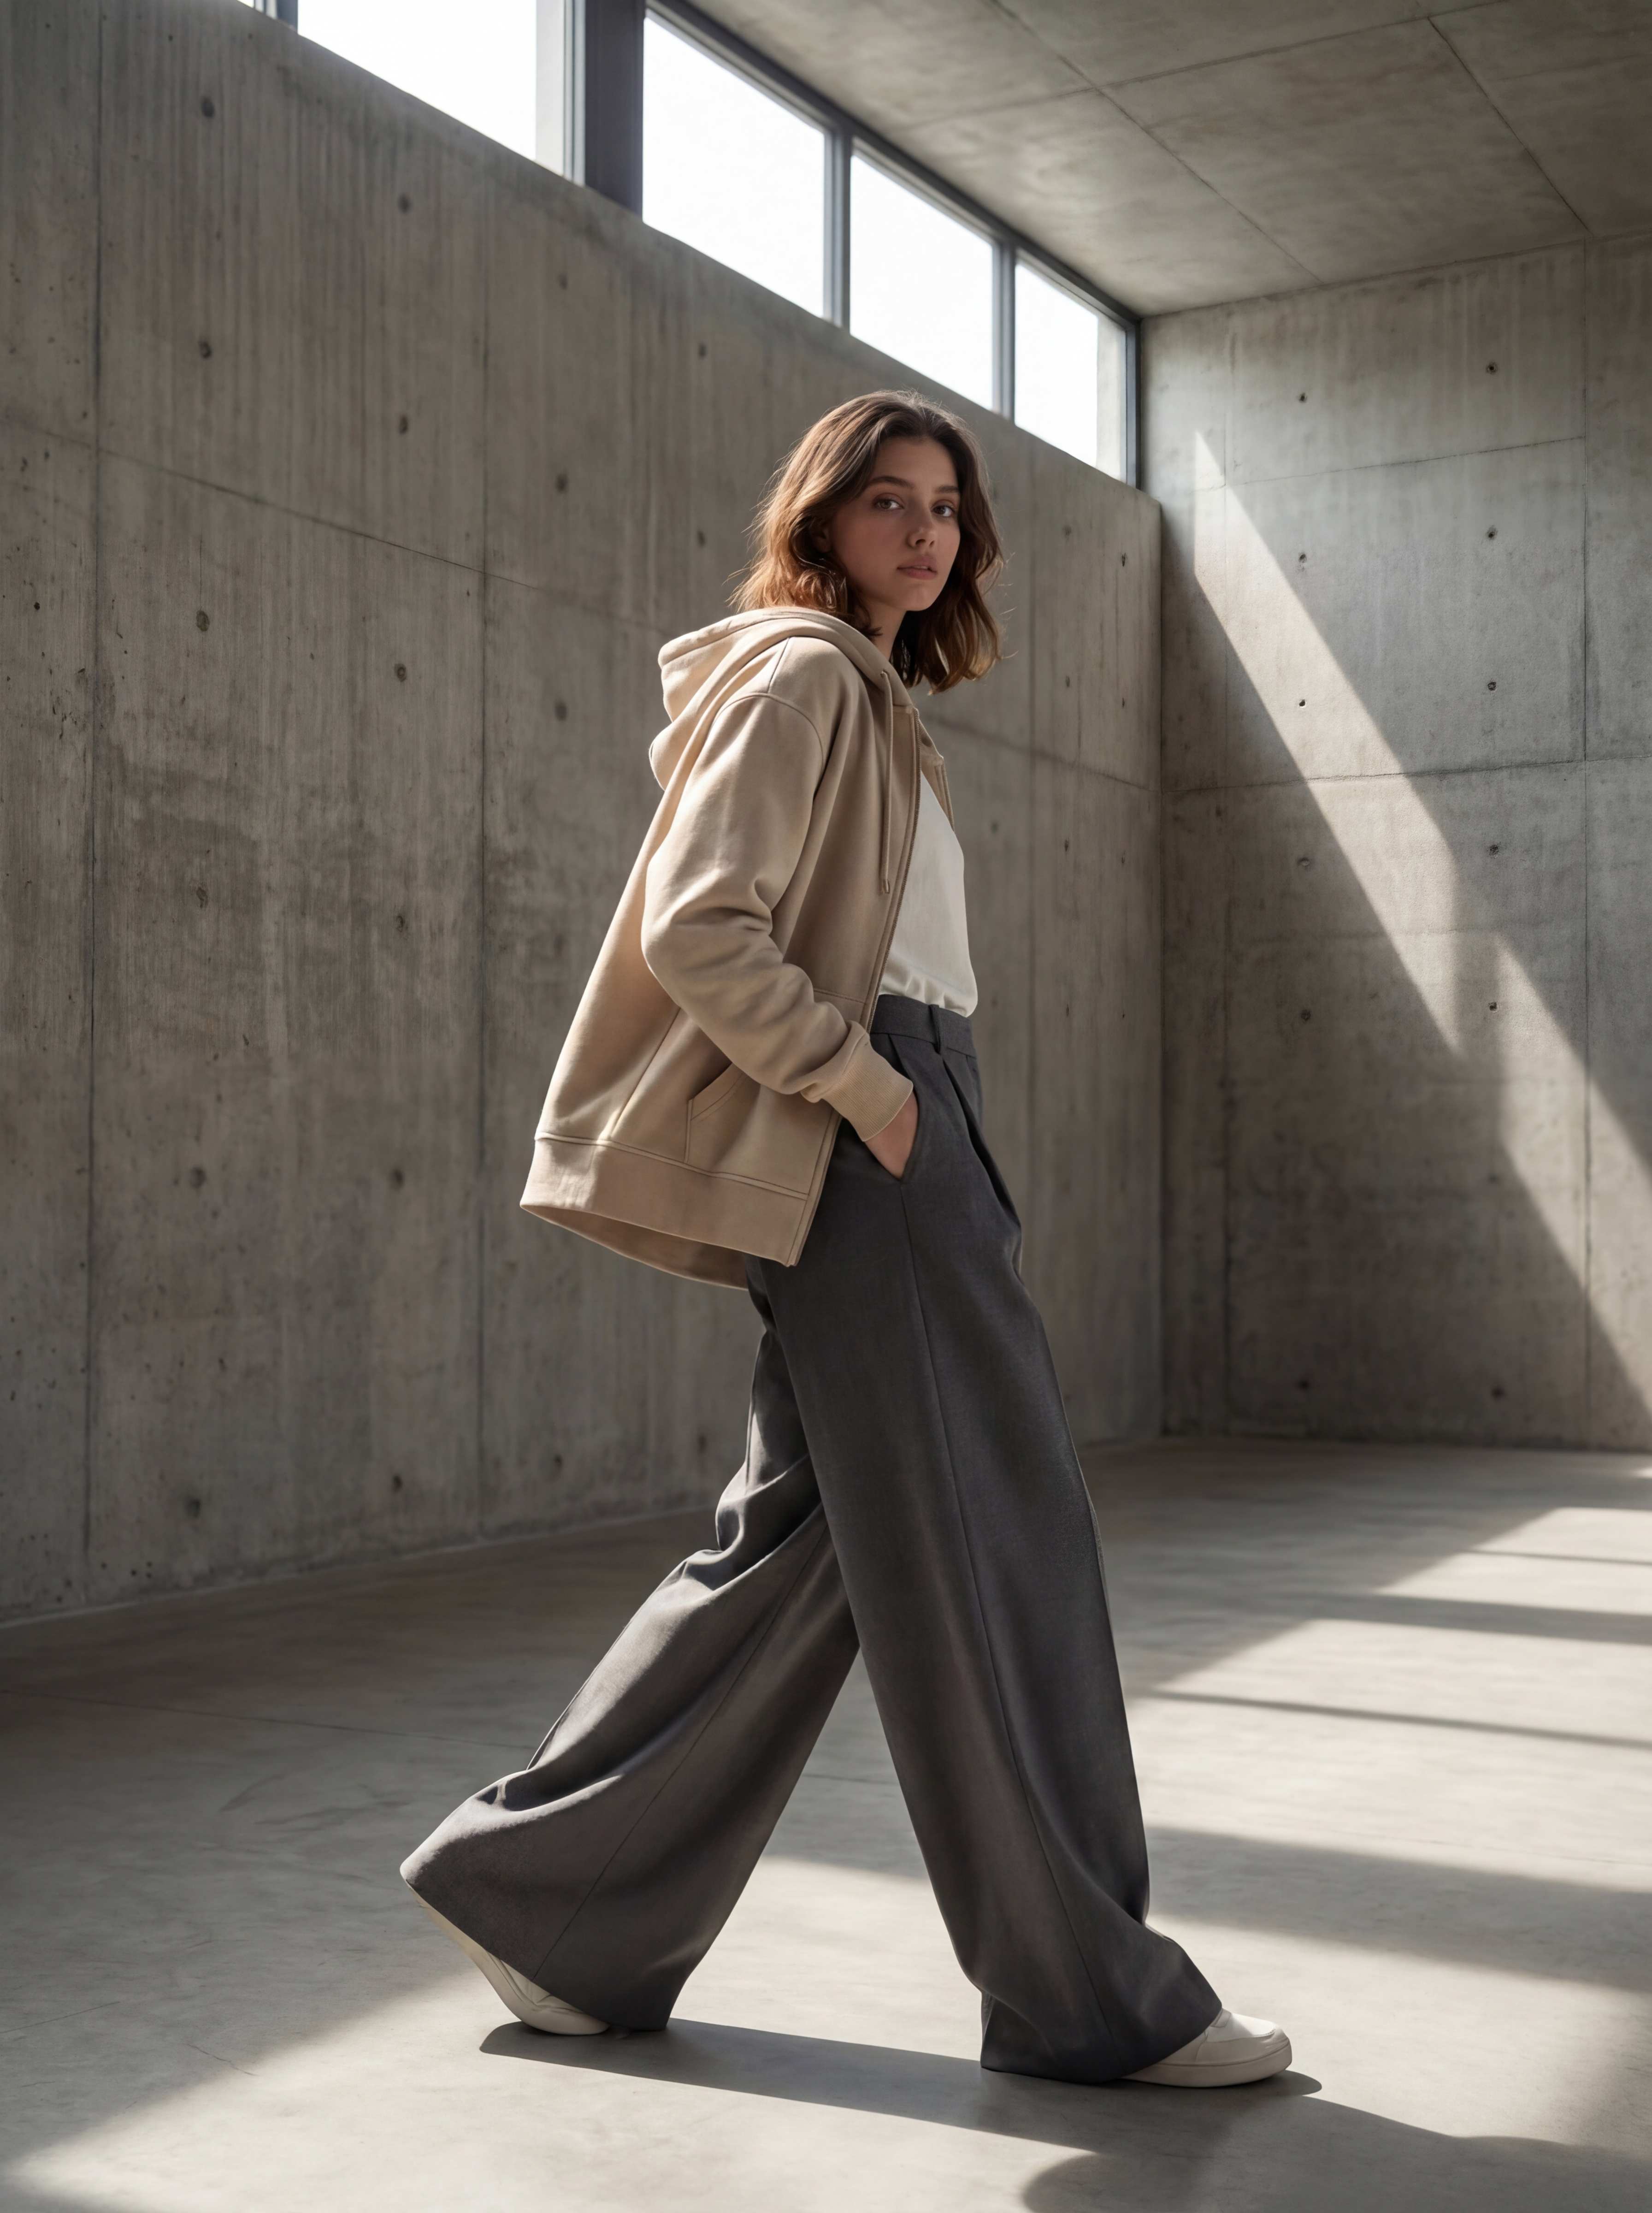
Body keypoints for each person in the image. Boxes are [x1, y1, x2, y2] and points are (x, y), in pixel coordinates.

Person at [399, 389, 1291, 2090]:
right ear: (822, 520)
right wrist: (870, 1096)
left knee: (804, 1557)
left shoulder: (871, 701)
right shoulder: (808, 679)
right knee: (998, 1554)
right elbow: (699, 922)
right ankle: (1090, 2000)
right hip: (879, 1136)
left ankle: (549, 1904)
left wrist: (914, 1105)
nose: (925, 531)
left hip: (913, 1123)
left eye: (947, 505)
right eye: (888, 501)